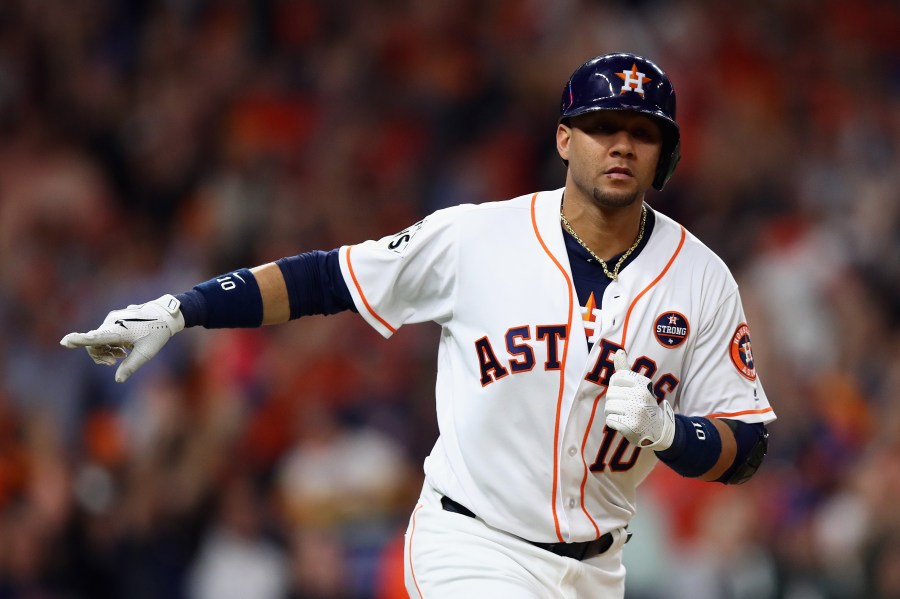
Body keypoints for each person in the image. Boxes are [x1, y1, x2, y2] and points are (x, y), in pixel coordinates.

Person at [61, 52, 775, 598]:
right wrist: (187, 307)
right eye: (603, 127)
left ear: (665, 154)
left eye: (642, 132)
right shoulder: (477, 238)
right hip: (472, 541)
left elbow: (747, 446)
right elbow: (328, 278)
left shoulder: (701, 279)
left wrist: (670, 431)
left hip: (597, 570)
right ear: (564, 139)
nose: (621, 145)